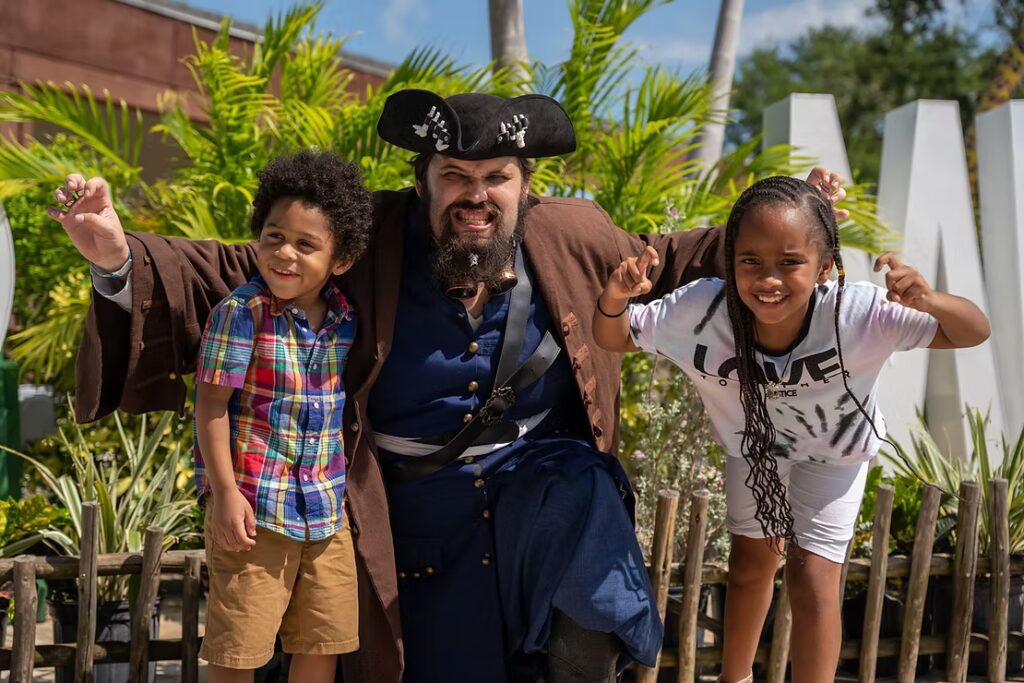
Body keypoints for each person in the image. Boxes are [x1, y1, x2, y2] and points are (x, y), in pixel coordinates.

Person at [51, 88, 847, 683]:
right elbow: (236, 269)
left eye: (495, 176)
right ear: (424, 178)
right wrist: (117, 259)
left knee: (587, 491)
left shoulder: (570, 233)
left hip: (536, 509)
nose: (476, 194)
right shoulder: (367, 241)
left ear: (524, 182)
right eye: (454, 174)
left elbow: (672, 260)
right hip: (404, 522)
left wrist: (795, 221)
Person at [592, 175, 990, 683]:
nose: (768, 279)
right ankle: (734, 679)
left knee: (811, 578)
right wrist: (615, 296)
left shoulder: (857, 313)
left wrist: (930, 301)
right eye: (750, 261)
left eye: (790, 263)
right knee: (751, 567)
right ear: (731, 260)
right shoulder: (700, 310)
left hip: (834, 454)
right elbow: (614, 336)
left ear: (825, 267)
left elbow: (974, 330)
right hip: (755, 450)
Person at [187, 151, 371, 681]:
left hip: (325, 513)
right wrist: (224, 494)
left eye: (306, 244)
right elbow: (211, 405)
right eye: (274, 237)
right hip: (253, 515)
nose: (284, 253)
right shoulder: (240, 314)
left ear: (341, 259)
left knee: (324, 640)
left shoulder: (344, 317)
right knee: (238, 649)